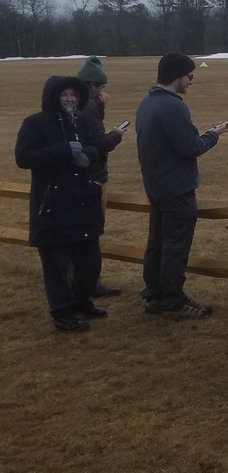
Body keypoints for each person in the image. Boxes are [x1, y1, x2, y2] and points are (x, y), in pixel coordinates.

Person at [136, 53, 228, 320]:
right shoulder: (173, 106)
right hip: (176, 190)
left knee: (157, 245)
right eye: (189, 77)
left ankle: (155, 292)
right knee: (175, 248)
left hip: (156, 187)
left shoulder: (147, 103)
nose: (191, 81)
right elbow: (191, 147)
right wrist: (214, 134)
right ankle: (172, 301)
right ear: (177, 77)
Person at [15, 76, 107, 332]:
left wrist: (86, 155)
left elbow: (94, 148)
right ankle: (63, 313)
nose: (70, 99)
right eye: (65, 95)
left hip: (83, 204)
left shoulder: (80, 121)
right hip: (52, 206)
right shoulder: (35, 123)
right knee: (56, 266)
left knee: (89, 262)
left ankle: (81, 301)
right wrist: (64, 151)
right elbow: (23, 157)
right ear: (53, 97)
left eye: (74, 95)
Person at [75, 55, 129, 297]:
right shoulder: (89, 107)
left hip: (77, 177)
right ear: (93, 86)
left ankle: (82, 283)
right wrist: (117, 134)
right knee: (89, 234)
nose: (103, 91)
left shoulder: (73, 104)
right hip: (92, 179)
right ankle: (87, 285)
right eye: (101, 87)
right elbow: (101, 142)